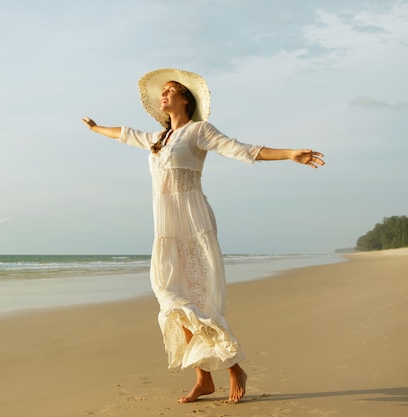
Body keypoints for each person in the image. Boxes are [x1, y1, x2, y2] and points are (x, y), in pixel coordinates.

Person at [81, 68, 325, 404]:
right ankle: (204, 379)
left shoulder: (199, 131)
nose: (162, 96)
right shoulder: (157, 139)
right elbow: (124, 133)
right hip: (165, 226)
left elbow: (242, 149)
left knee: (200, 299)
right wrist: (95, 129)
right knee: (172, 298)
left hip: (193, 222)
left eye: (169, 91)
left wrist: (289, 153)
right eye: (161, 93)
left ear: (185, 98)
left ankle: (233, 367)